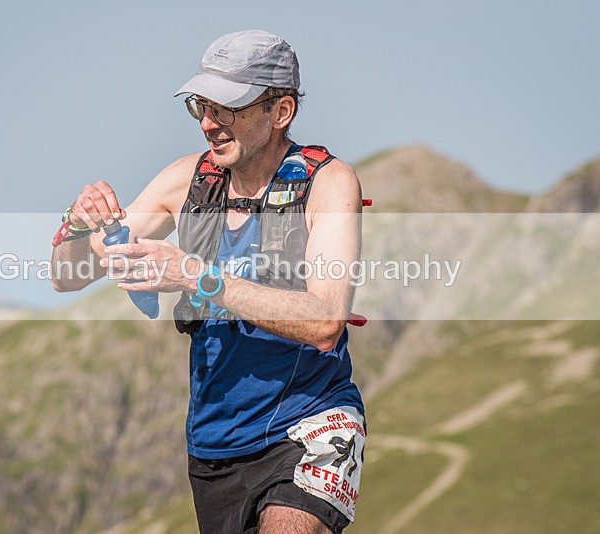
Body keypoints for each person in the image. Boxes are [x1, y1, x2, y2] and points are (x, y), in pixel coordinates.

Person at [51, 29, 366, 534]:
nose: (207, 123)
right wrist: (78, 221)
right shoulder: (186, 181)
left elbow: (326, 320)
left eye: (228, 108)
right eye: (201, 105)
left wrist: (199, 276)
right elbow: (68, 276)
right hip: (215, 444)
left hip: (312, 424)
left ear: (280, 111)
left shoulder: (327, 183)